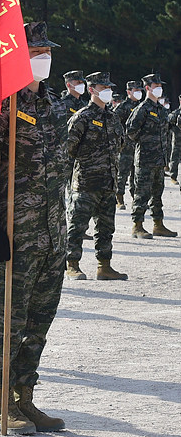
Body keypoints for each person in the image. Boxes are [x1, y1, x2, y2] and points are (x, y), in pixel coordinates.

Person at [0, 21, 68, 434]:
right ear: (16, 55)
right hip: (16, 232)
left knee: (40, 320)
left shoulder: (54, 106)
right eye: (35, 52)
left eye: (46, 52)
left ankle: (25, 396)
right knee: (9, 318)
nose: (43, 59)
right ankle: (1, 401)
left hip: (52, 231)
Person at [64, 72, 127, 281]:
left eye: (109, 87)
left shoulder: (113, 117)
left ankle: (104, 266)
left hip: (108, 182)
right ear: (92, 90)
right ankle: (72, 264)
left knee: (106, 227)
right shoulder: (82, 117)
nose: (107, 91)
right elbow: (68, 148)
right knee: (77, 225)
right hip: (86, 183)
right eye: (103, 87)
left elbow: (120, 144)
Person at [126, 73, 176, 238]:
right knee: (141, 193)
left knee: (157, 193)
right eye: (156, 86)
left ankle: (158, 225)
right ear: (147, 88)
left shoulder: (161, 110)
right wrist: (145, 143)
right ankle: (137, 225)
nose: (159, 89)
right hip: (145, 160)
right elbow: (131, 131)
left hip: (159, 160)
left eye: (160, 86)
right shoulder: (142, 109)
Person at [113, 80, 143, 209]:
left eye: (139, 90)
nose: (138, 93)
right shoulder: (122, 107)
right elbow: (115, 125)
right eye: (136, 90)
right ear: (128, 92)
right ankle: (119, 198)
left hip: (137, 146)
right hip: (125, 147)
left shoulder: (142, 106)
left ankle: (135, 198)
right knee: (122, 173)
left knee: (136, 174)